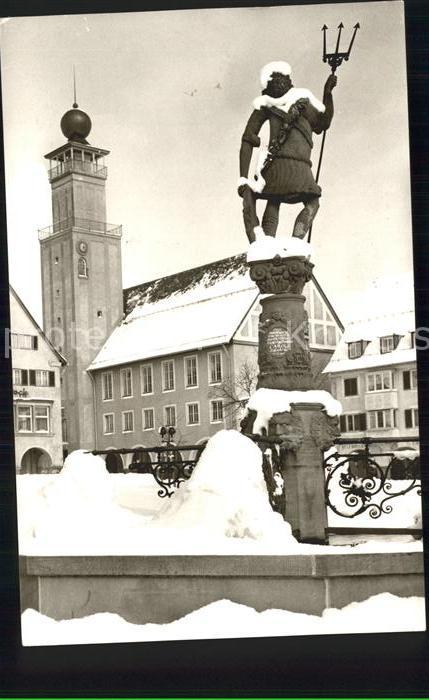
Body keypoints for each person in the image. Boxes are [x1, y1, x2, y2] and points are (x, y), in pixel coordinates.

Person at [238, 61, 337, 242]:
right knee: (312, 201)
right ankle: (295, 240)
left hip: (281, 167)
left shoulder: (286, 103)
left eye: (280, 79)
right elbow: (323, 123)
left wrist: (243, 178)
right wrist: (328, 93)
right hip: (298, 168)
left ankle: (267, 242)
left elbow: (247, 139)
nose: (278, 84)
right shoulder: (298, 103)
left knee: (273, 200)